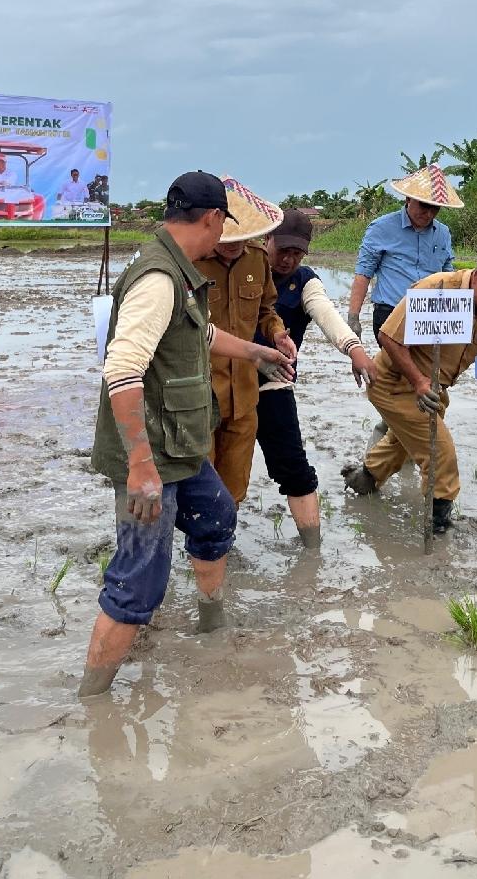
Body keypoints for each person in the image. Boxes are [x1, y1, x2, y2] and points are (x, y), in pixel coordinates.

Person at [81, 171, 294, 698]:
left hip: (180, 448)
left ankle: (210, 622)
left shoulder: (177, 271)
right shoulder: (157, 279)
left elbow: (199, 331)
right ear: (213, 219)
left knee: (217, 515)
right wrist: (140, 466)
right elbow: (123, 370)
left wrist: (257, 352)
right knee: (139, 579)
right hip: (152, 457)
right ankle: (91, 698)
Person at [341, 249, 477, 531]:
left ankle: (362, 481)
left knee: (402, 444)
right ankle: (438, 527)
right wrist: (419, 382)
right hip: (395, 384)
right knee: (439, 453)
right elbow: (388, 336)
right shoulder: (438, 289)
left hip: (433, 389)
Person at [255, 210, 379, 548]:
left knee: (293, 466)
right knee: (219, 467)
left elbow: (325, 313)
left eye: (297, 253)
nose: (288, 259)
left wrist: (353, 348)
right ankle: (218, 547)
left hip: (274, 381)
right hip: (225, 381)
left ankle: (313, 549)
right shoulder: (245, 269)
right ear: (266, 241)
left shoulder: (305, 280)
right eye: (282, 250)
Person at [193, 177, 297, 505]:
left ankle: (225, 544)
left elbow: (266, 308)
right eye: (227, 238)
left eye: (244, 238)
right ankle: (200, 549)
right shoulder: (188, 261)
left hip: (244, 394)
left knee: (235, 485)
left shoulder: (256, 258)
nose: (235, 245)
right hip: (200, 396)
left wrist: (277, 332)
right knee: (199, 485)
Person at [347, 164, 464, 342]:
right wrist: (353, 318)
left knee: (428, 369)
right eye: (424, 206)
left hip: (429, 313)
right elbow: (363, 274)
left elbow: (448, 276)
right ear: (408, 199)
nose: (429, 214)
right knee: (398, 368)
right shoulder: (381, 228)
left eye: (435, 208)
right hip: (391, 313)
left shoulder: (443, 233)